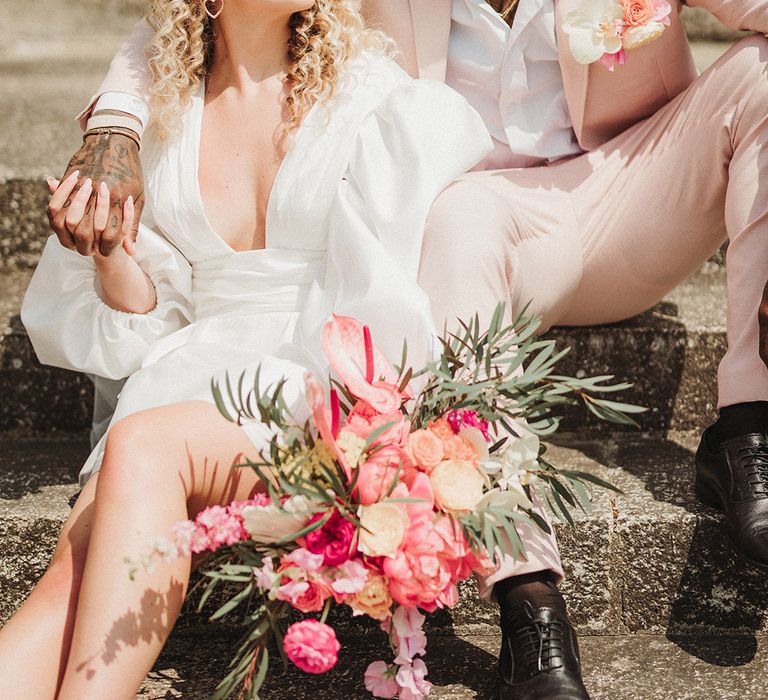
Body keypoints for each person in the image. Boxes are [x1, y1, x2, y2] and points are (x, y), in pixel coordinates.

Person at [53, 0, 768, 698]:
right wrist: (117, 123)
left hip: (633, 189)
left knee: (760, 74)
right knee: (463, 214)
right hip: (471, 227)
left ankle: (748, 424)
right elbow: (189, 22)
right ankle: (529, 600)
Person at [0, 1, 501, 697]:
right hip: (181, 372)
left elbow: (396, 287)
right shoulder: (168, 108)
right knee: (72, 573)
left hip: (310, 380)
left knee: (142, 446)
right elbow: (155, 315)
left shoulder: (369, 90)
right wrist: (112, 251)